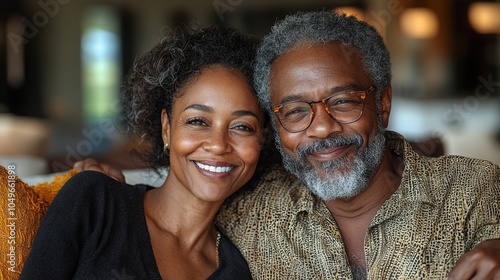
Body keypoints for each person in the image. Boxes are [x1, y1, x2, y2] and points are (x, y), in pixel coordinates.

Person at [76, 10, 500, 280]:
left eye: (343, 101)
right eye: (296, 111)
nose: (321, 128)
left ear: (383, 102)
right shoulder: (248, 211)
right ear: (274, 128)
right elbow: (183, 195)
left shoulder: (475, 188)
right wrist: (111, 195)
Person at [20, 25, 274, 279]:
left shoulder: (238, 271)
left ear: (261, 139)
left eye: (242, 126)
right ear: (166, 129)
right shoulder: (96, 202)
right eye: (198, 121)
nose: (218, 145)